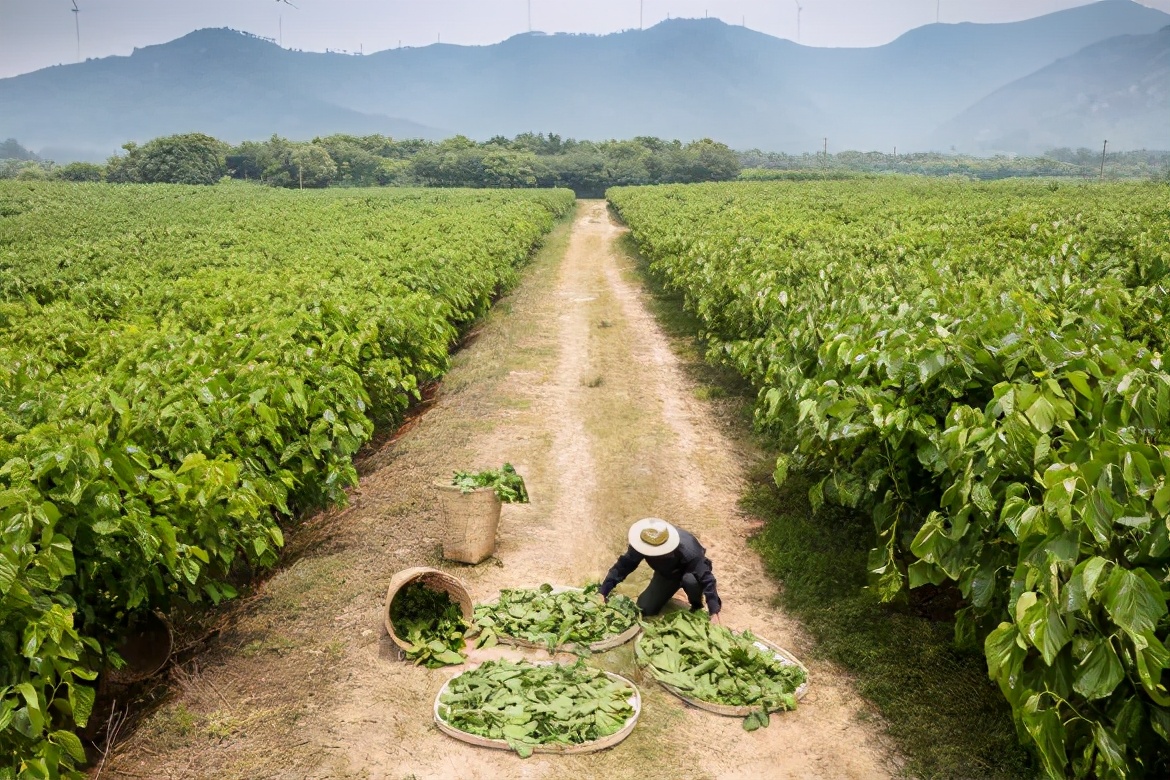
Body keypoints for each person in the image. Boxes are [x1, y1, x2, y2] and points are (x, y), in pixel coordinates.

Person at [598, 517, 722, 623]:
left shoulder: (690, 550)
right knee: (644, 609)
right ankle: (667, 592)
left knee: (690, 580)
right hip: (667, 575)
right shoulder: (643, 544)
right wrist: (604, 591)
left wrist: (714, 612)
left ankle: (696, 604)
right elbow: (623, 566)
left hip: (689, 573)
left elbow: (707, 579)